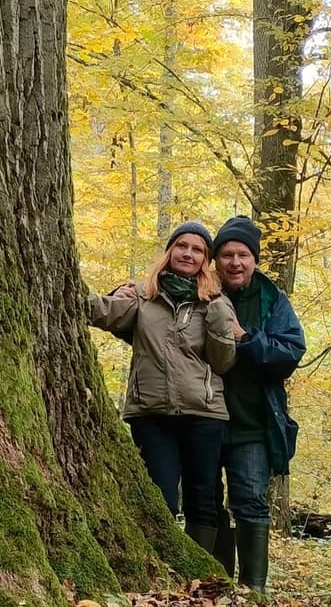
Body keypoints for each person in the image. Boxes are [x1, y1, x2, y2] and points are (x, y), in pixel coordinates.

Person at [87, 221, 237, 554]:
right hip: (151, 413)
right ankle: (167, 567)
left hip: (203, 412)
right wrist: (95, 291)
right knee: (160, 496)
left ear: (206, 259)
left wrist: (216, 315)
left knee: (203, 496)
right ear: (170, 252)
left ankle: (202, 573)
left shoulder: (216, 301)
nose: (188, 253)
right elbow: (100, 312)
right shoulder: (143, 296)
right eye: (182, 246)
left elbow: (223, 361)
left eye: (197, 249)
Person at [209, 216, 306, 594]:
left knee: (250, 503)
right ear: (216, 259)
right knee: (206, 503)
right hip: (203, 419)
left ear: (254, 259)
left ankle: (252, 592)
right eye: (227, 254)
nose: (235, 262)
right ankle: (212, 588)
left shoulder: (272, 300)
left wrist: (245, 339)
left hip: (251, 423)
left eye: (243, 254)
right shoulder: (199, 290)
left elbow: (290, 352)